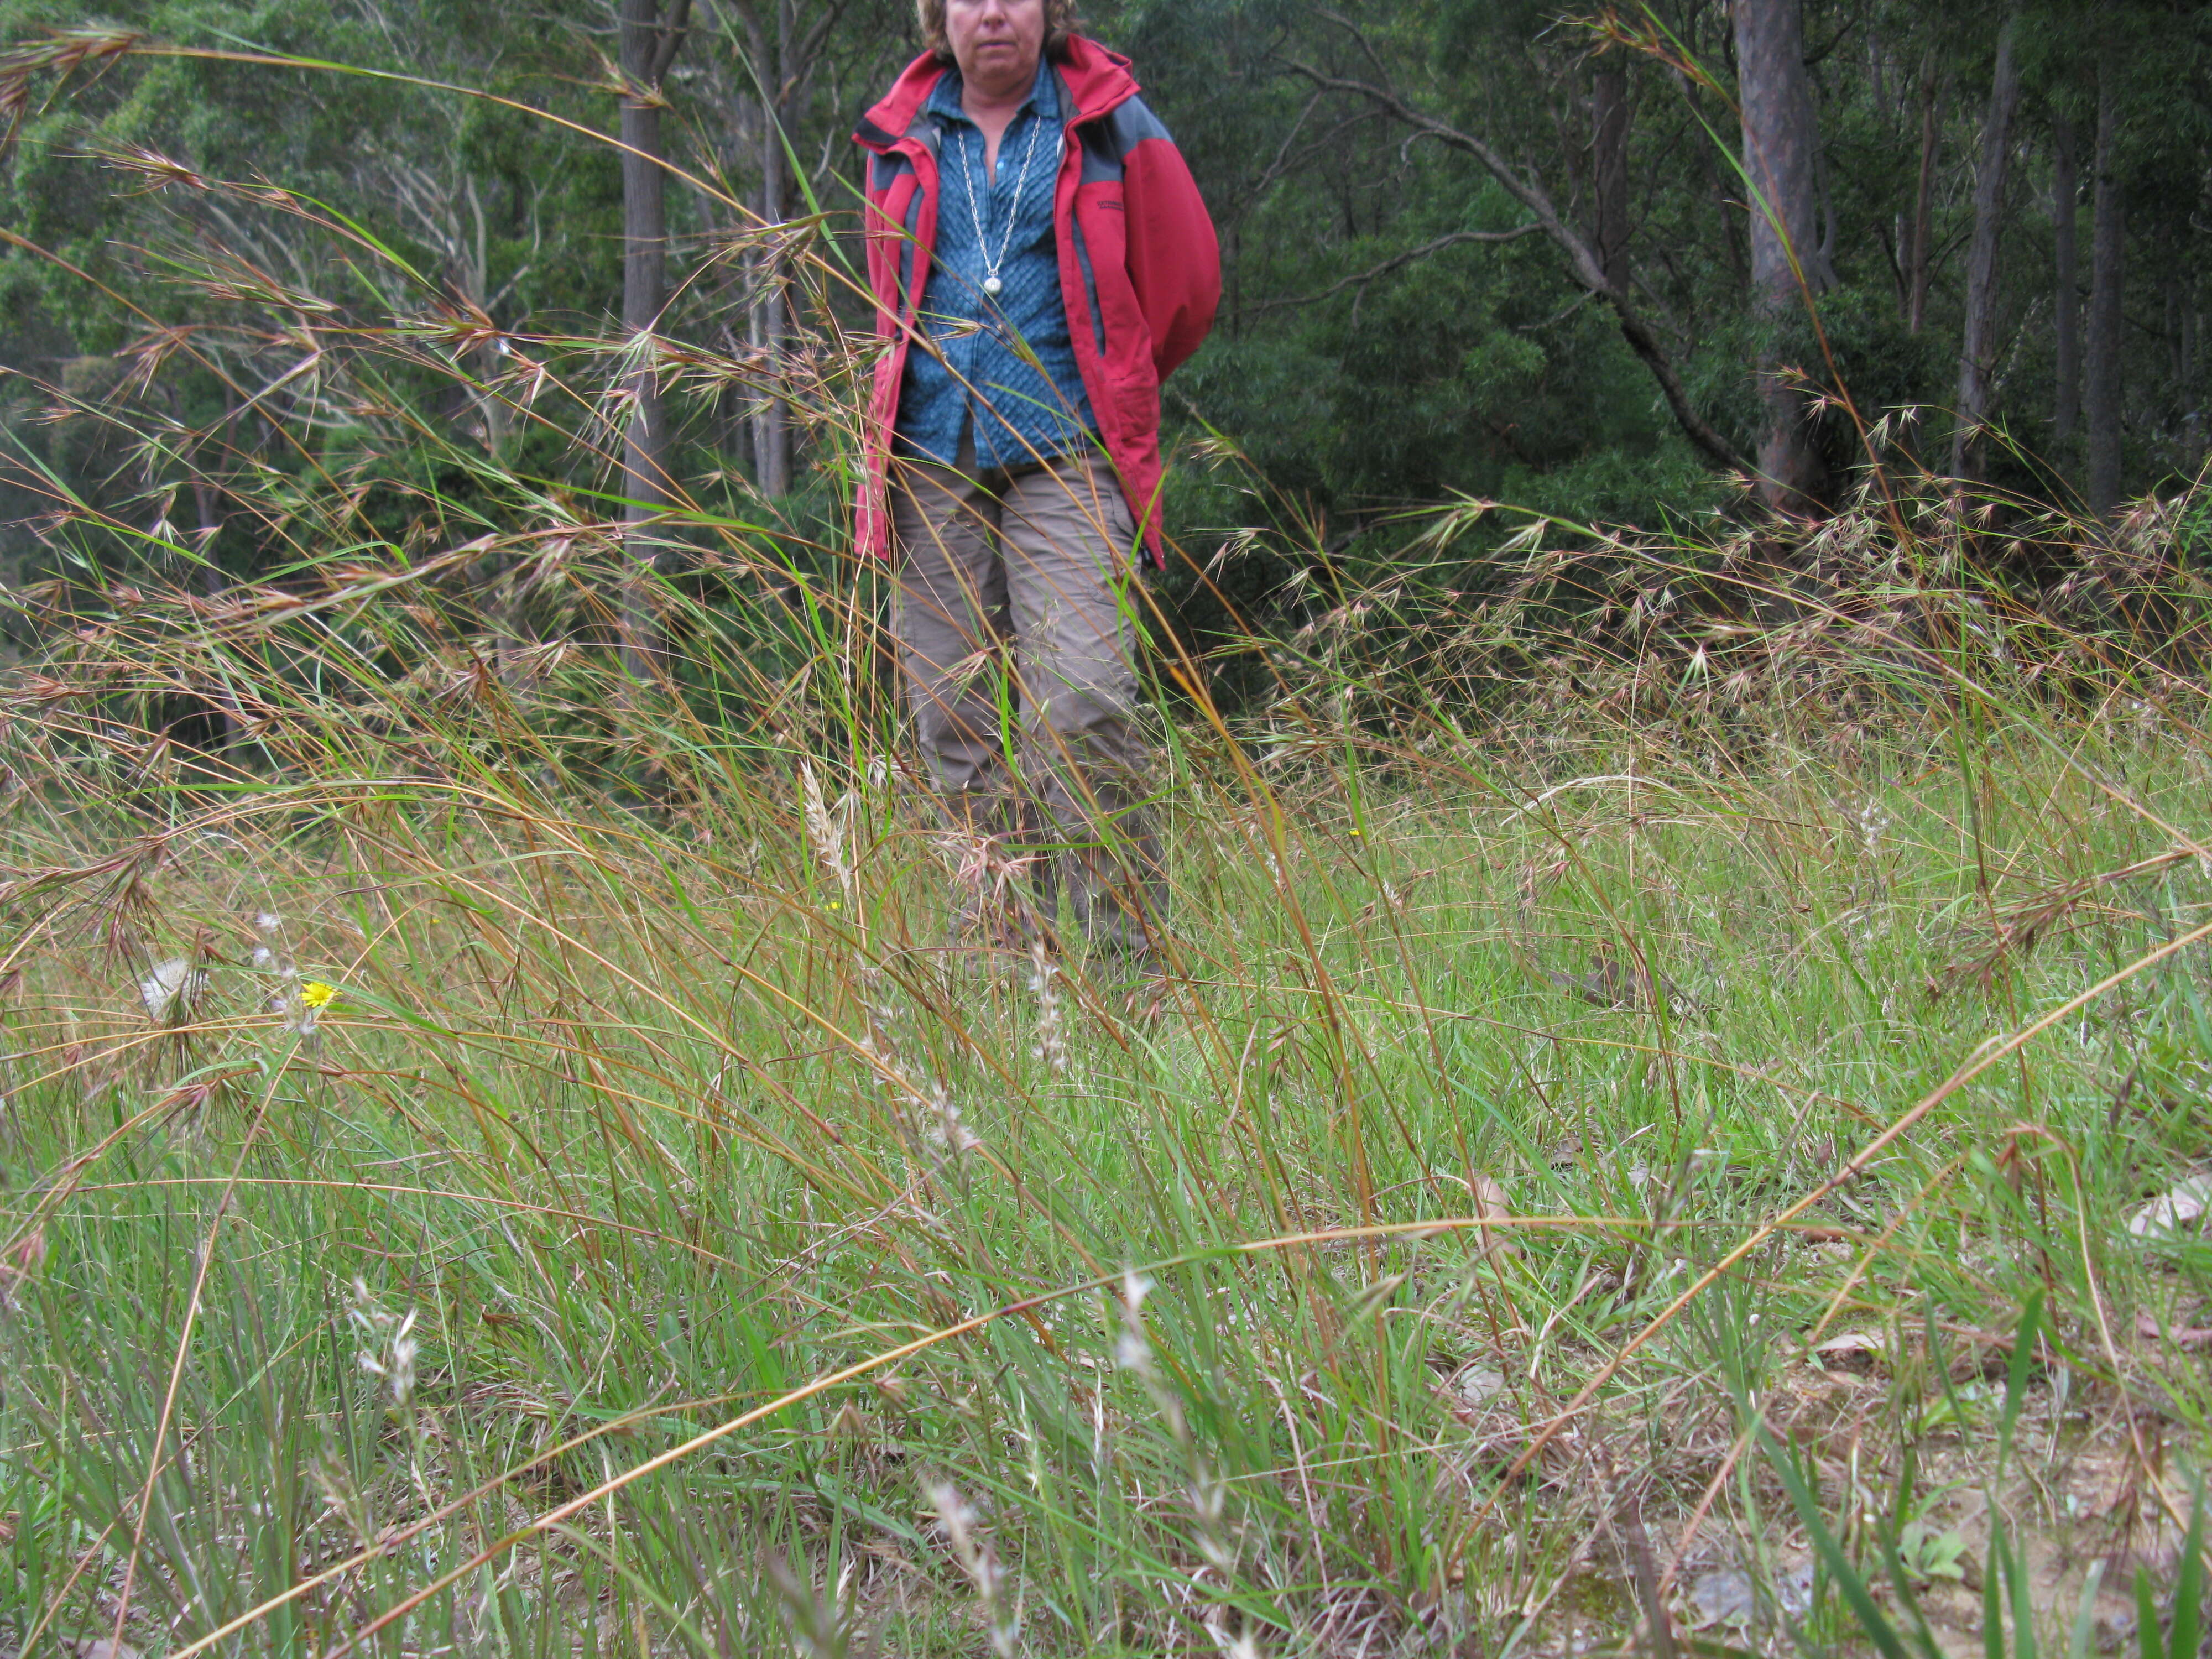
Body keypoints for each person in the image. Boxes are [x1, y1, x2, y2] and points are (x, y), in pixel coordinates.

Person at [852, 0, 1219, 973]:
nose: (993, 12)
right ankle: (1008, 976)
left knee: (1083, 704)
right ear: (940, 16)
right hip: (930, 459)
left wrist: (1120, 381)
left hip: (1068, 452)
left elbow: (1186, 285)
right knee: (953, 723)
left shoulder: (1109, 117)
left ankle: (1125, 974)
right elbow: (886, 288)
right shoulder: (898, 135)